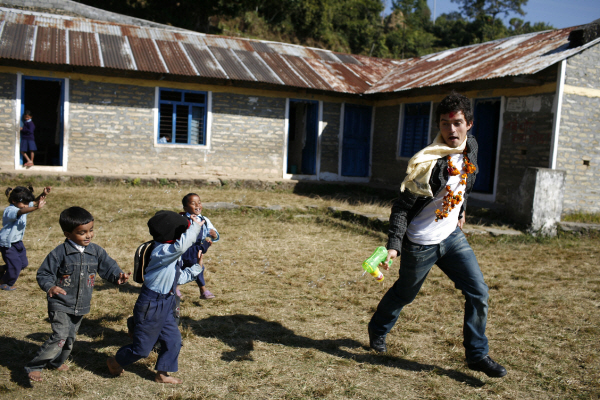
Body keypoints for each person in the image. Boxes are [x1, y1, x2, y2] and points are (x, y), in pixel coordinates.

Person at [367, 92, 507, 378]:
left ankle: (477, 355)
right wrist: (394, 245)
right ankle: (378, 329)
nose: (451, 130)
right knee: (405, 293)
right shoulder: (427, 163)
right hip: (420, 243)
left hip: (452, 237)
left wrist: (461, 209)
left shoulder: (471, 147)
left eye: (457, 123)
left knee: (479, 292)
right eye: (444, 123)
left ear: (469, 124)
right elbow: (401, 208)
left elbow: (465, 181)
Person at [25, 207, 130, 382]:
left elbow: (109, 268)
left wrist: (118, 277)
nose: (88, 235)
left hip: (81, 304)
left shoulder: (96, 251)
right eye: (82, 233)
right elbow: (44, 274)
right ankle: (35, 366)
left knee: (70, 338)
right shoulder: (60, 253)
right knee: (60, 336)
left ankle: (56, 362)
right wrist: (50, 287)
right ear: (68, 234)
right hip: (60, 302)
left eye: (91, 230)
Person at [107, 210, 205, 384]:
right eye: (182, 232)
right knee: (142, 349)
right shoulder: (162, 251)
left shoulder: (170, 254)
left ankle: (162, 374)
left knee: (173, 341)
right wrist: (195, 227)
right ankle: (115, 362)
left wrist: (196, 268)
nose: (184, 235)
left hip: (167, 302)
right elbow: (182, 246)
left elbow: (177, 278)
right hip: (151, 305)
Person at [0, 185, 51, 291]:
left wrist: (43, 194)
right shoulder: (10, 210)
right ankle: (5, 282)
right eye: (24, 203)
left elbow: (34, 202)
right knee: (15, 265)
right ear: (13, 201)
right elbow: (20, 212)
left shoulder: (22, 206)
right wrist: (36, 208)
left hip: (17, 242)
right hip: (8, 243)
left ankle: (3, 269)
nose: (27, 206)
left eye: (28, 203)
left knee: (23, 263)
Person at [180, 193, 220, 300]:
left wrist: (214, 235)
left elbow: (212, 232)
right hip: (182, 249)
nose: (197, 205)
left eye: (199, 202)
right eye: (193, 203)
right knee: (178, 268)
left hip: (196, 250)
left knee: (198, 268)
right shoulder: (181, 219)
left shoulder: (204, 220)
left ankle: (203, 290)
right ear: (185, 207)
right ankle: (174, 288)